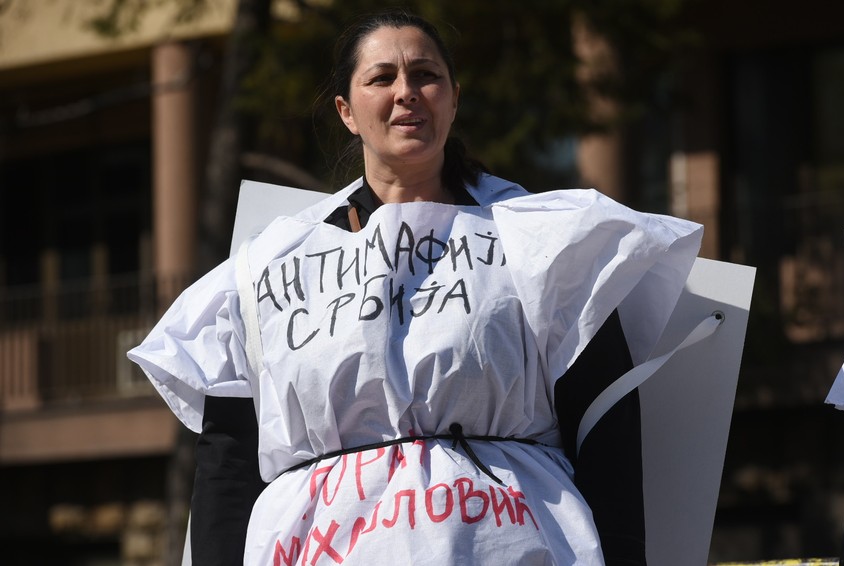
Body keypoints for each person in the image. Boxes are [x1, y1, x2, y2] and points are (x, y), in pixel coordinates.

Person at [129, 9, 702, 565]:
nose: (406, 91)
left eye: (426, 75)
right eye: (381, 78)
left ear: (454, 99)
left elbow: (608, 427)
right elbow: (228, 460)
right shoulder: (271, 266)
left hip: (507, 545)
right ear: (347, 111)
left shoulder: (544, 238)